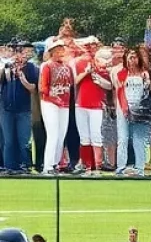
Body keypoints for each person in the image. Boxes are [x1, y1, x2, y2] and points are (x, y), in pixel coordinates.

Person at [0, 41, 37, 174]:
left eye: (28, 53)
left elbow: (33, 88)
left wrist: (23, 79)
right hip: (6, 108)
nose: (25, 55)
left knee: (24, 140)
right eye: (23, 52)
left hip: (24, 109)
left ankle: (25, 166)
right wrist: (6, 66)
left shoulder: (31, 67)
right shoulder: (8, 66)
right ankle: (9, 167)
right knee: (8, 140)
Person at [38, 38, 72, 173]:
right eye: (57, 50)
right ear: (52, 52)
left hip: (64, 103)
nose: (60, 52)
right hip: (49, 102)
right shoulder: (47, 65)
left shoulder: (67, 66)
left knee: (61, 134)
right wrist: (52, 97)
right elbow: (43, 86)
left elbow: (70, 85)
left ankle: (56, 163)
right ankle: (47, 166)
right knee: (53, 133)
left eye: (61, 49)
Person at [72, 36, 106, 174]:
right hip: (81, 103)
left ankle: (96, 165)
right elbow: (74, 81)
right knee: (84, 136)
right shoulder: (77, 62)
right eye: (88, 46)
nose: (90, 48)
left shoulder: (101, 62)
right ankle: (87, 165)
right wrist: (86, 72)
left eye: (93, 46)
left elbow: (106, 81)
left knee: (96, 135)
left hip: (96, 103)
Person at [119, 47, 151, 174]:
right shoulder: (122, 73)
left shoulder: (144, 73)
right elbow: (118, 90)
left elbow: (149, 91)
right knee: (123, 138)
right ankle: (121, 167)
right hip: (124, 108)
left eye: (135, 56)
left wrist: (148, 81)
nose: (132, 59)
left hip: (140, 110)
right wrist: (124, 107)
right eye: (130, 56)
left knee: (139, 139)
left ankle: (140, 168)